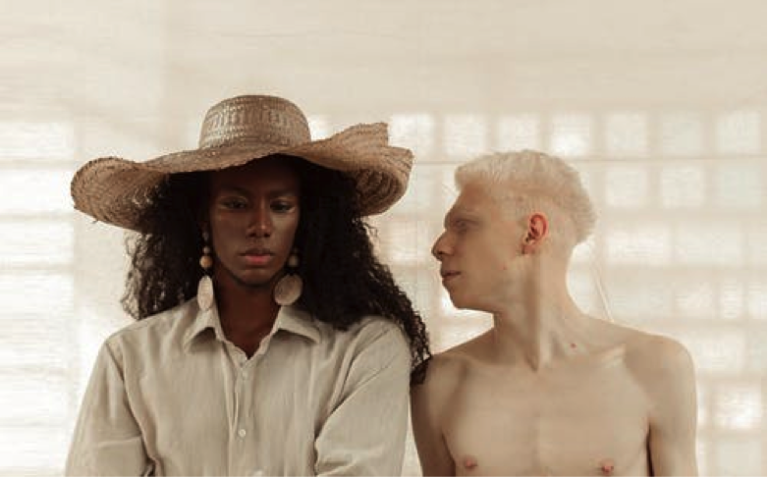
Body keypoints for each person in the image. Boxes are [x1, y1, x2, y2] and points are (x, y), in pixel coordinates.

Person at [66, 94, 431, 476]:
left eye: (281, 206)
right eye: (236, 204)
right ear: (202, 217)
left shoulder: (366, 348)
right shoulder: (130, 358)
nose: (260, 226)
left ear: (308, 218)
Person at [411, 150, 698, 476]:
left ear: (532, 232)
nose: (439, 246)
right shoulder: (437, 383)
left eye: (464, 226)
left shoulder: (653, 366)